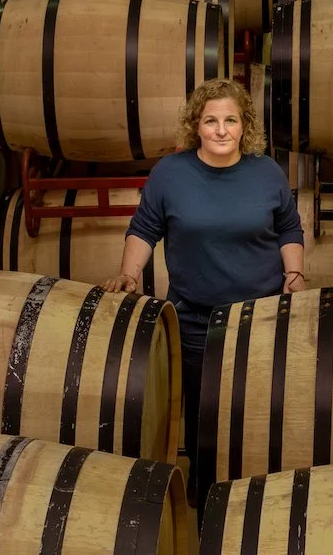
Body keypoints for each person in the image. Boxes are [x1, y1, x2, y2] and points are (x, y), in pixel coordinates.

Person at [103, 78, 305, 506]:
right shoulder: (170, 173)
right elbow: (145, 228)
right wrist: (128, 273)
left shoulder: (266, 172)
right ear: (196, 125)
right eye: (211, 120)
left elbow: (289, 227)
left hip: (261, 316)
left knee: (260, 409)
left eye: (231, 120)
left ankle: (258, 497)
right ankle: (205, 503)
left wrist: (295, 273)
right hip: (197, 317)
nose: (221, 130)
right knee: (202, 416)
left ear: (245, 125)